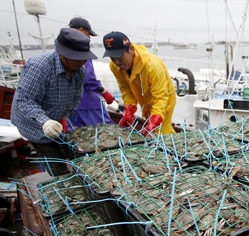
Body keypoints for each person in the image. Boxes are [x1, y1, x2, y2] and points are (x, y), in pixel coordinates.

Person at [11, 28, 97, 176]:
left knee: (75, 152)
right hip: (33, 122)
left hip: (56, 116)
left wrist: (64, 116)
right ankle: (64, 187)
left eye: (84, 57)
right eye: (77, 57)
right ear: (63, 54)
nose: (82, 61)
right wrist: (45, 122)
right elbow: (23, 100)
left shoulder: (79, 70)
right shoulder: (39, 67)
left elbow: (76, 96)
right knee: (57, 164)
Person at [102, 31, 176, 136]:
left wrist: (155, 120)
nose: (117, 61)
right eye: (112, 57)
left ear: (131, 50)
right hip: (145, 98)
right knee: (157, 128)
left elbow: (160, 98)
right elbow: (126, 90)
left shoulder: (152, 66)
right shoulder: (114, 66)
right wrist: (129, 109)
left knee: (160, 131)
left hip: (164, 97)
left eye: (119, 56)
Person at [68, 17, 114, 130]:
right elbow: (87, 78)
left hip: (70, 104)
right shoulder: (81, 49)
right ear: (81, 30)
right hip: (88, 102)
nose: (88, 38)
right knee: (108, 131)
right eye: (88, 34)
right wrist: (103, 91)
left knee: (78, 136)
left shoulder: (62, 49)